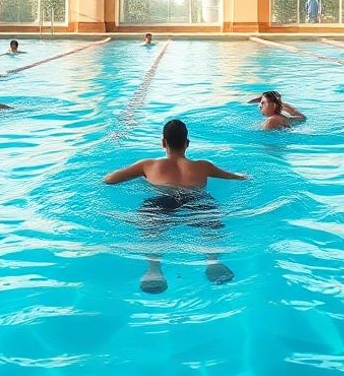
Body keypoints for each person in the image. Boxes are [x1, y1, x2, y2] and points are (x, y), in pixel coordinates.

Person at [103, 119, 246, 293]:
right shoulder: (203, 166)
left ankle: (153, 269)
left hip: (163, 200)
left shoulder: (148, 165)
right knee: (210, 223)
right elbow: (235, 177)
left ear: (163, 142)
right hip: (197, 200)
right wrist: (245, 176)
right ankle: (212, 261)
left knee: (151, 227)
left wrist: (142, 176)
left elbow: (109, 180)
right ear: (187, 144)